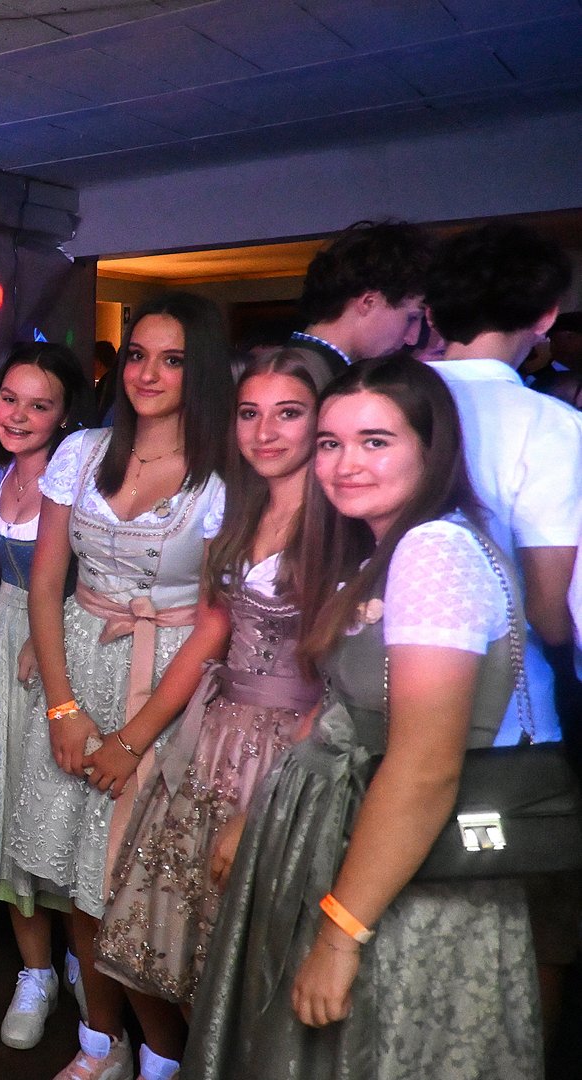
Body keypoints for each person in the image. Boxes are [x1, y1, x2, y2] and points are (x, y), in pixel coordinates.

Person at [189, 356, 542, 1080]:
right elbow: (344, 710)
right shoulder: (392, 547)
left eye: (375, 441)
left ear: (431, 449)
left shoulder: (433, 551)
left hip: (397, 874)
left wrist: (341, 934)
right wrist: (260, 812)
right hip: (351, 840)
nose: (345, 464)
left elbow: (424, 767)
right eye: (331, 443)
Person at [10, 292, 233, 1080]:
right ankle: (98, 1043)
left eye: (172, 360)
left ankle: (166, 1059)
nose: (147, 373)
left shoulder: (222, 476)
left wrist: (133, 741)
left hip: (169, 683)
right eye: (136, 354)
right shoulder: (82, 451)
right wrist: (63, 707)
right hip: (77, 658)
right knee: (77, 879)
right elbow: (46, 583)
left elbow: (215, 621)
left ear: (201, 370)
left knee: (139, 886)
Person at [95, 347, 335, 1020]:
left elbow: (344, 686)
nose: (265, 431)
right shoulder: (238, 508)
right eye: (249, 413)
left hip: (293, 750)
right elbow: (211, 628)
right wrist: (137, 738)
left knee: (255, 955)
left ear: (323, 419)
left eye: (288, 413)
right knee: (186, 936)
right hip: (218, 733)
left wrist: (268, 803)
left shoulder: (341, 528)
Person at [421, 220, 581, 1054]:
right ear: (545, 316)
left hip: (377, 693)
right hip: (511, 715)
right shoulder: (550, 426)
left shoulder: (385, 401)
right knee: (525, 923)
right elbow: (552, 608)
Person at [0, 343, 86, 1049]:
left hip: (62, 647)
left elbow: (100, 574)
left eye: (39, 405)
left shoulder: (85, 479)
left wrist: (47, 639)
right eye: (9, 398)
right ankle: (35, 971)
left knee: (62, 807)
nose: (17, 415)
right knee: (9, 799)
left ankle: (80, 959)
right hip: (2, 637)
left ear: (65, 415)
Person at [291, 220, 431, 367]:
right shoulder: (301, 376)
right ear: (368, 302)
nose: (412, 338)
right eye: (411, 318)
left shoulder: (303, 367)